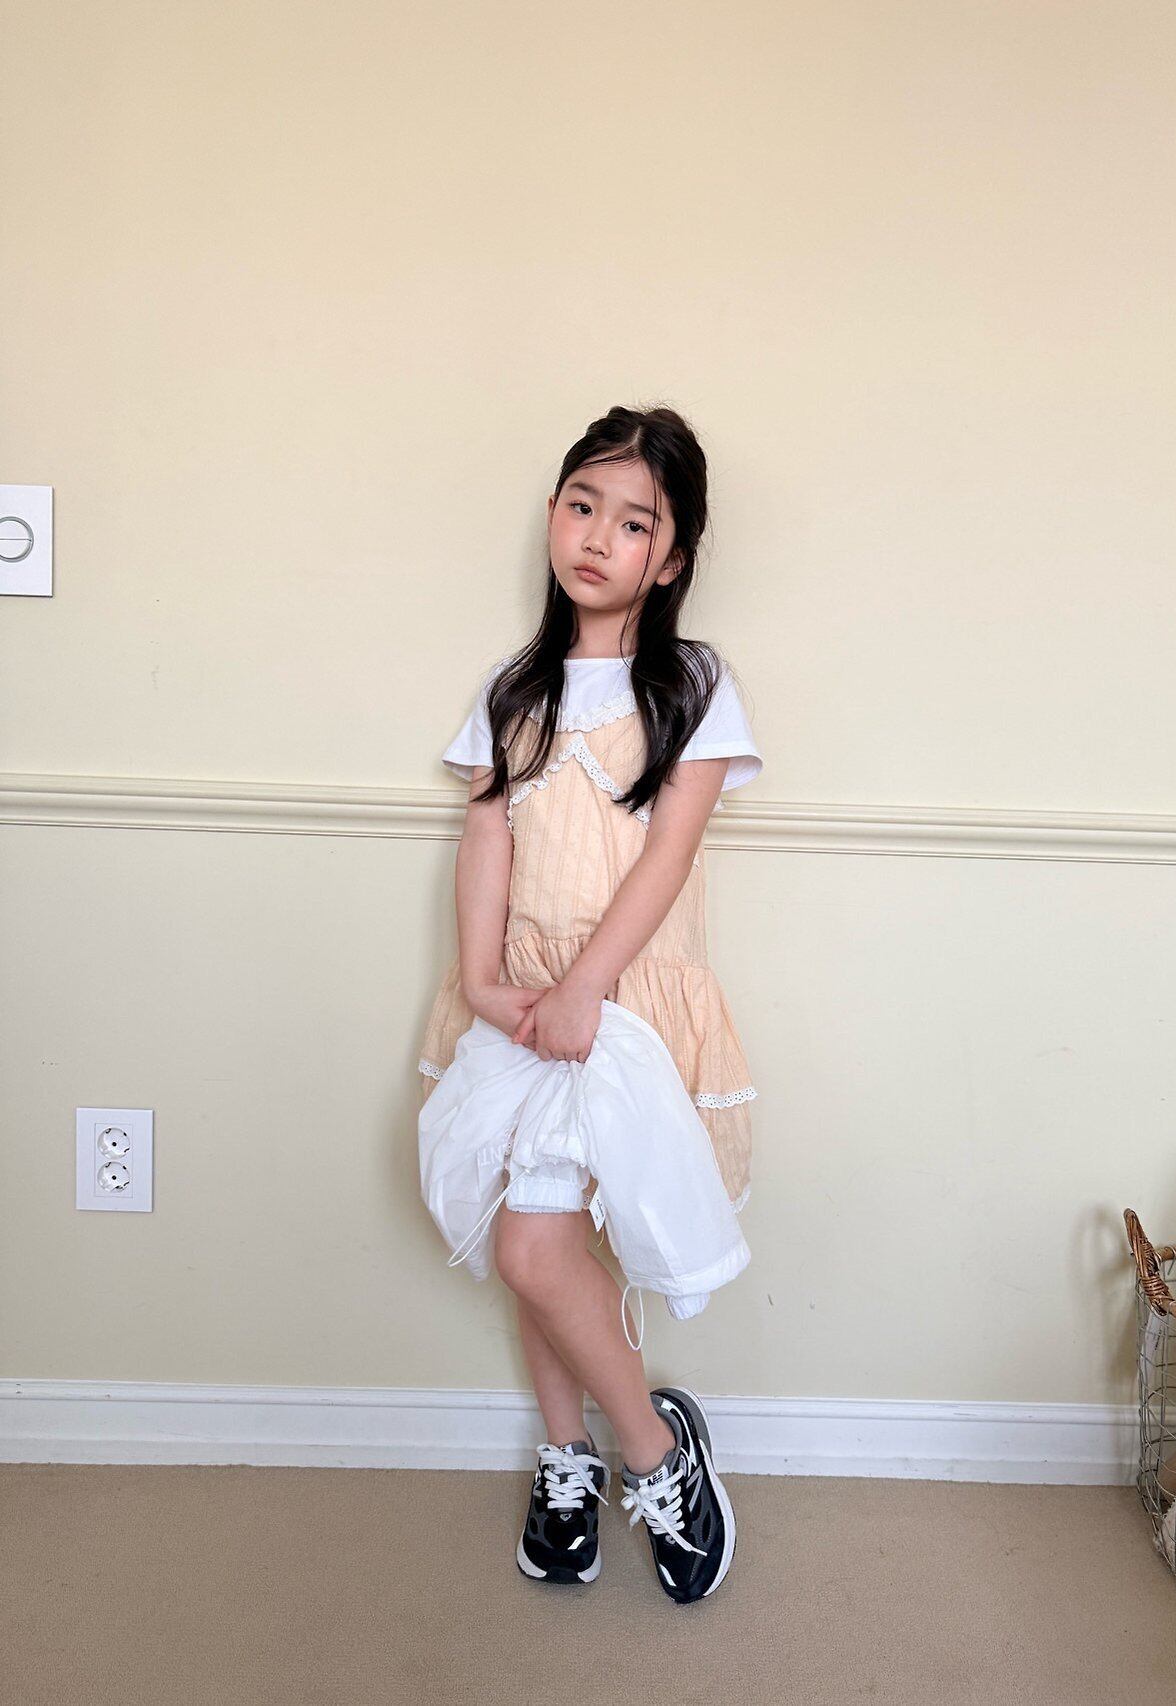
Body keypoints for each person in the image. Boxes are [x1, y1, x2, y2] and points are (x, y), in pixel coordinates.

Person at [416, 404, 763, 1605]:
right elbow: (486, 841)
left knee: (536, 1241)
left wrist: (582, 990)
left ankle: (654, 1450)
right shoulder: (513, 689)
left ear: (668, 557)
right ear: (553, 515)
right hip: (519, 1004)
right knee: (538, 1244)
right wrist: (481, 980)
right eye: (581, 506)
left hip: (620, 1005)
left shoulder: (693, 685)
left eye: (632, 523)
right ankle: (566, 1456)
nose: (596, 538)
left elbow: (666, 856)